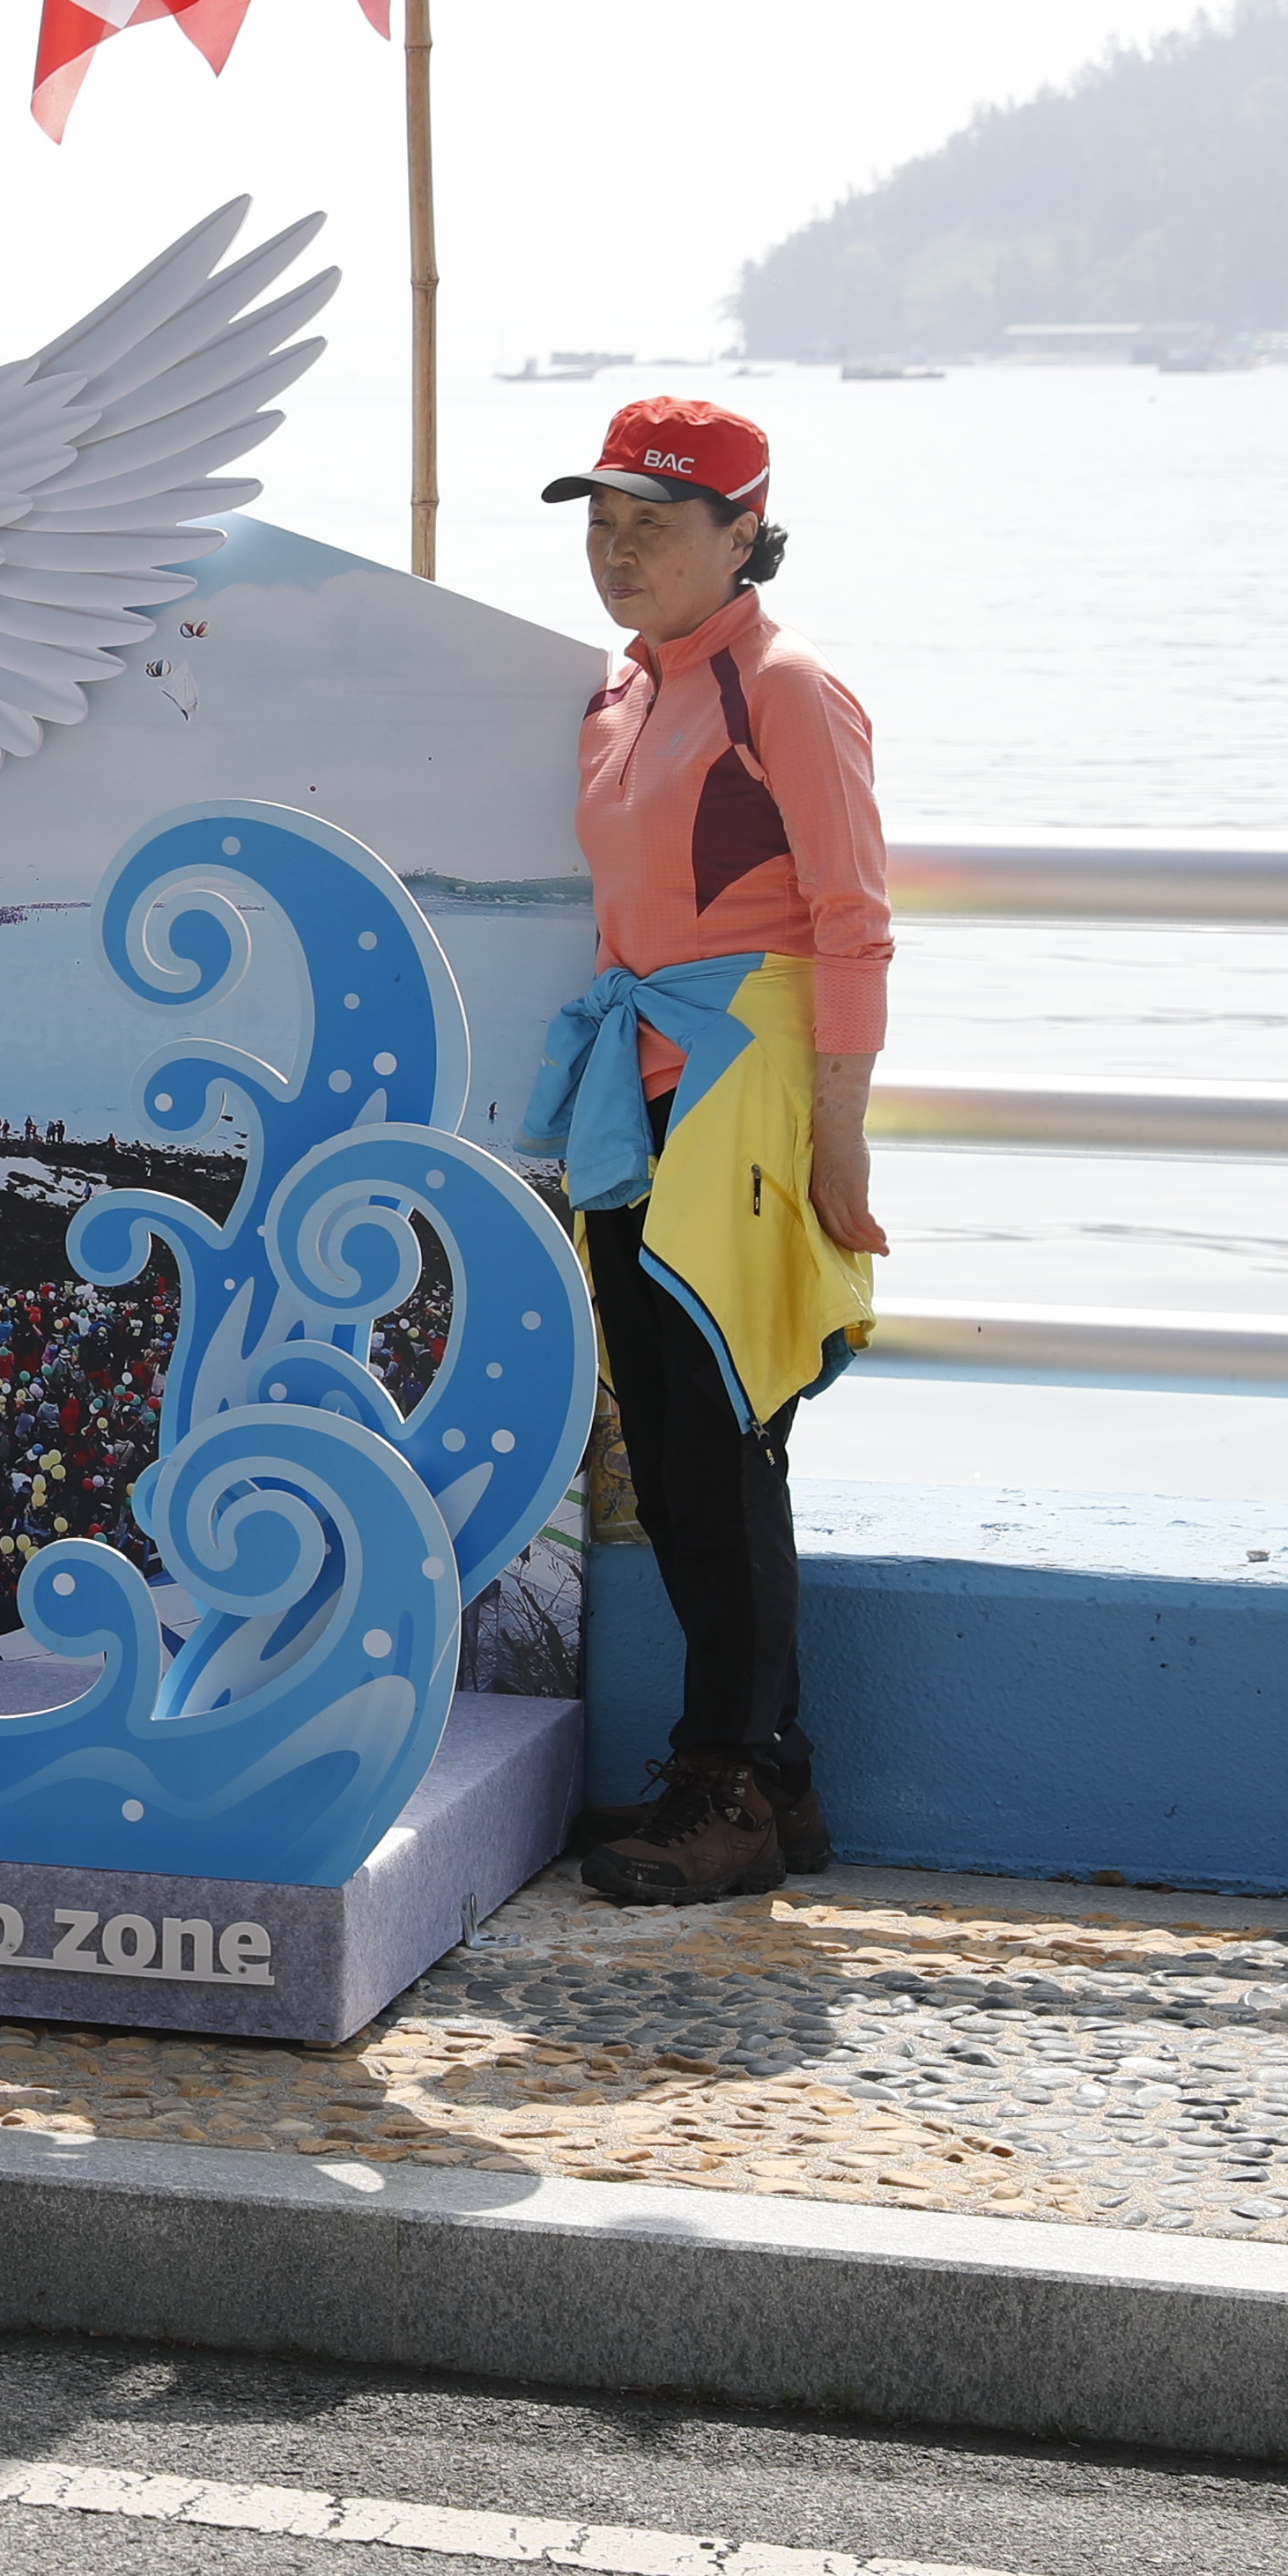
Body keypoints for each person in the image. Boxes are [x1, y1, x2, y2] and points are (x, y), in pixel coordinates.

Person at [521, 399, 888, 1906]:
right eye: (601, 524)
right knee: (667, 1447)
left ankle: (730, 1779)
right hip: (640, 1087)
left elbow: (853, 919)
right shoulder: (622, 689)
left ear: (743, 533)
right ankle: (762, 1781)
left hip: (742, 1086)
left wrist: (838, 1141)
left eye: (655, 525)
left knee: (726, 1439)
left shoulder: (785, 688)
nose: (619, 552)